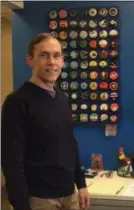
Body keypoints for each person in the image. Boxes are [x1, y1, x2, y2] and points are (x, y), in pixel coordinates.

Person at [1, 33, 90, 210]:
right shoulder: (17, 101)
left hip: (69, 194)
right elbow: (11, 159)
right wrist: (20, 204)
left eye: (56, 55)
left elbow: (70, 144)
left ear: (63, 60)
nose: (52, 62)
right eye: (44, 55)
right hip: (39, 198)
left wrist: (81, 184)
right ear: (30, 60)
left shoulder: (62, 99)